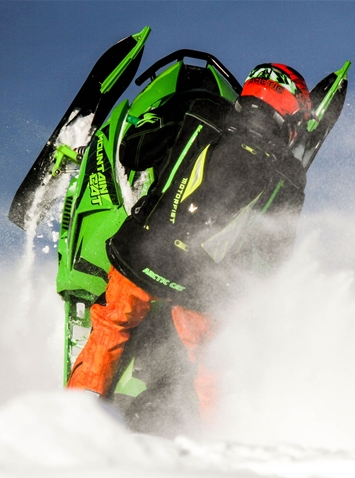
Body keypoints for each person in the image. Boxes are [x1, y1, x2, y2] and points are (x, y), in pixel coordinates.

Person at [67, 63, 323, 424]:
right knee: (212, 367)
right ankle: (220, 440)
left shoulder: (200, 107)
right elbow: (274, 252)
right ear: (289, 108)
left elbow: (133, 153)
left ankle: (75, 420)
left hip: (142, 254)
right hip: (202, 287)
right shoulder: (290, 172)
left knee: (112, 326)